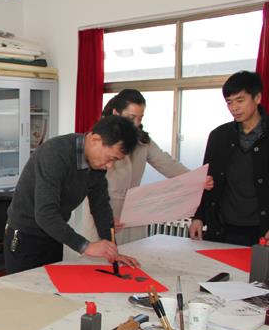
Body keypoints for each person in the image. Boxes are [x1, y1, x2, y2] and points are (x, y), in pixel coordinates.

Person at [4, 115, 142, 274]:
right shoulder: (55, 154)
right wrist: (86, 246)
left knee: (51, 286)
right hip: (25, 237)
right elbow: (45, 214)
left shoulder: (97, 166)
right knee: (23, 289)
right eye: (111, 158)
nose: (110, 166)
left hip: (54, 235)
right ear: (95, 139)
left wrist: (112, 250)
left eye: (116, 161)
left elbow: (101, 207)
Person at [79, 89, 213, 244]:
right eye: (131, 117)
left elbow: (166, 163)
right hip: (103, 206)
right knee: (102, 254)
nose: (136, 124)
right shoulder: (99, 139)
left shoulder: (142, 141)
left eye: (140, 118)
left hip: (133, 210)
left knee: (134, 252)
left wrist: (196, 178)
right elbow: (86, 179)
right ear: (116, 113)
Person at [190, 71, 269, 246]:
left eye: (240, 100)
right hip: (222, 228)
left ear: (257, 98)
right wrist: (198, 216)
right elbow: (207, 180)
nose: (234, 108)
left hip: (261, 230)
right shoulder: (219, 136)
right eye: (229, 102)